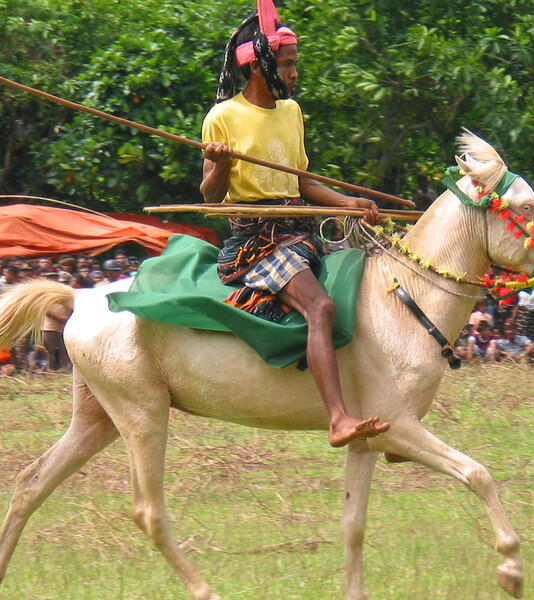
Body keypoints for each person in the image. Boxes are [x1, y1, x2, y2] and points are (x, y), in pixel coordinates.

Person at [199, 1, 388, 447]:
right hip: (256, 242)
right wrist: (221, 165)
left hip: (296, 232)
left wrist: (348, 202)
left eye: (294, 65)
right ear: (261, 66)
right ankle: (338, 419)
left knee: (365, 288)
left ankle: (384, 408)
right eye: (287, 65)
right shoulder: (221, 117)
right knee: (321, 308)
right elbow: (209, 195)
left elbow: (301, 182)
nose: (294, 73)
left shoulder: (291, 113)